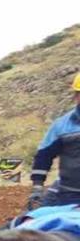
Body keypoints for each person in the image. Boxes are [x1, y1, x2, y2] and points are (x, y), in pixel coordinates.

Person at [28, 73, 80, 209]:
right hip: (69, 194)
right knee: (34, 217)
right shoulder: (61, 126)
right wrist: (37, 188)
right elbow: (44, 155)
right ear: (76, 96)